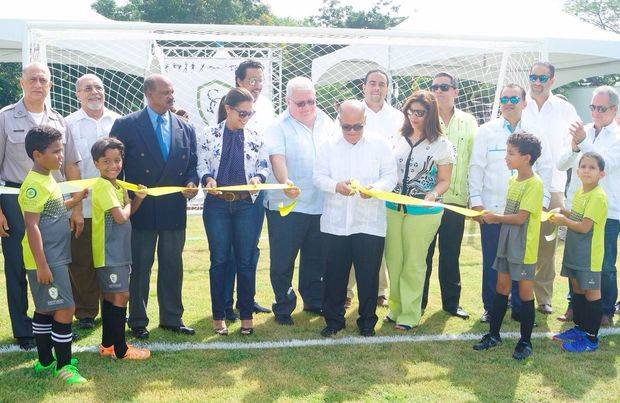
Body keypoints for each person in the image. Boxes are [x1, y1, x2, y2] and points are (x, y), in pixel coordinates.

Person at [0, 62, 82, 350]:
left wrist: (75, 207)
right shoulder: (5, 118)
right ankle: (24, 332)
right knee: (17, 266)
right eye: (32, 79)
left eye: (43, 80)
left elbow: (71, 163)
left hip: (51, 200)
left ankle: (50, 318)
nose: (38, 84)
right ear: (21, 82)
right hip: (11, 199)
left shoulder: (60, 120)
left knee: (52, 260)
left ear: (50, 85)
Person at [110, 74, 199, 339]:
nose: (171, 97)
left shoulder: (185, 127)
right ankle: (137, 320)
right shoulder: (126, 125)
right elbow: (115, 167)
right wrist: (123, 201)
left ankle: (172, 318)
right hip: (141, 207)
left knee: (173, 264)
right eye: (164, 93)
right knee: (140, 266)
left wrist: (191, 183)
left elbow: (192, 164)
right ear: (148, 93)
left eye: (172, 92)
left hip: (173, 207)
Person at [469, 84, 552, 323]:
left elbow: (545, 168)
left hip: (523, 213)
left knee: (520, 262)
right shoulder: (486, 131)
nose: (509, 102)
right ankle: (491, 307)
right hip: (492, 210)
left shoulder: (536, 131)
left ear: (525, 102)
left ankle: (519, 307)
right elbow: (476, 168)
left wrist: (543, 203)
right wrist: (476, 203)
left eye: (514, 98)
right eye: (504, 98)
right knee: (493, 263)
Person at [314, 100, 397, 337]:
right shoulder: (328, 145)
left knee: (369, 276)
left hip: (369, 223)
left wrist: (374, 188)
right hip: (335, 223)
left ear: (365, 122)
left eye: (357, 127)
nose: (351, 132)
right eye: (346, 127)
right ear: (339, 121)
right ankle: (333, 320)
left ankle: (368, 322)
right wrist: (335, 186)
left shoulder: (380, 145)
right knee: (334, 275)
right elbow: (317, 177)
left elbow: (390, 176)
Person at [264, 76, 337, 326]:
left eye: (311, 101)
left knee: (316, 258)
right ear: (287, 102)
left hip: (321, 203)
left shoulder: (328, 121)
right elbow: (277, 158)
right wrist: (286, 183)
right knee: (283, 260)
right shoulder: (277, 126)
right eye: (300, 103)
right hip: (287, 205)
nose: (306, 107)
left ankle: (313, 300)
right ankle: (283, 306)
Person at [198, 87, 270, 335]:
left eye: (250, 113)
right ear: (228, 109)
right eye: (242, 113)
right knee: (219, 260)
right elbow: (202, 164)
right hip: (217, 205)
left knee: (246, 260)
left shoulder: (257, 136)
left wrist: (259, 178)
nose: (246, 118)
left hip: (248, 206)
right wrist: (208, 179)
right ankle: (219, 316)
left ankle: (246, 315)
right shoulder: (208, 134)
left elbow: (263, 165)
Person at [21, 126, 88, 384]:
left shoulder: (48, 177)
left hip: (56, 255)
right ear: (38, 154)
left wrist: (75, 200)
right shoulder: (34, 185)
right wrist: (42, 265)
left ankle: (45, 362)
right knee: (66, 307)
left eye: (61, 150)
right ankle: (63, 367)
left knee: (46, 309)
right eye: (56, 151)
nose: (61, 156)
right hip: (48, 259)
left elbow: (54, 209)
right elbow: (32, 225)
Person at [385, 90, 455, 331]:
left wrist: (433, 194)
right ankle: (395, 308)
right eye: (410, 111)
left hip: (424, 213)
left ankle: (410, 313)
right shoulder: (395, 138)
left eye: (420, 113)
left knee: (414, 263)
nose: (414, 117)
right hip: (392, 208)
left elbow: (445, 180)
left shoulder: (442, 145)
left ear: (430, 114)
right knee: (393, 260)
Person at [473, 132, 543, 361]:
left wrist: (495, 218)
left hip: (523, 247)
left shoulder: (535, 184)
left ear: (527, 157)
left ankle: (525, 341)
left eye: (511, 154)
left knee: (524, 293)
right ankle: (494, 334)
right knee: (501, 287)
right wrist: (493, 217)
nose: (506, 158)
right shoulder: (513, 180)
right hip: (506, 242)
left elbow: (521, 218)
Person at [216, 60, 275, 319]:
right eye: (252, 80)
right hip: (229, 195)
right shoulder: (227, 103)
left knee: (250, 250)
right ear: (239, 80)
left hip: (256, 189)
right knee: (227, 252)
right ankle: (226, 305)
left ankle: (247, 301)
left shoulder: (268, 107)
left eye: (261, 80)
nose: (258, 85)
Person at [557, 86, 619, 326]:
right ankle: (575, 303)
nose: (595, 112)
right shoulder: (582, 131)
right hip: (577, 205)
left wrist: (582, 144)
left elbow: (607, 164)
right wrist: (574, 146)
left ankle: (605, 309)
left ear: (614, 110)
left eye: (601, 108)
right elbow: (562, 165)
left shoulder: (617, 135)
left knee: (604, 264)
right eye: (592, 107)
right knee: (575, 260)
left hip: (609, 210)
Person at [521, 61, 580, 315]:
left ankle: (543, 297)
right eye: (533, 77)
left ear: (553, 80)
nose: (537, 82)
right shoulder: (520, 106)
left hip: (554, 185)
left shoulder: (565, 109)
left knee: (547, 245)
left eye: (542, 78)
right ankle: (517, 295)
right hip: (521, 185)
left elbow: (576, 144)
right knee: (519, 244)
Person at [345, 69, 403, 309]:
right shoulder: (352, 112)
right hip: (354, 189)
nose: (376, 88)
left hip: (385, 187)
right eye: (372, 83)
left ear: (387, 88)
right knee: (350, 238)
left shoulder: (399, 117)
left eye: (381, 84)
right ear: (364, 86)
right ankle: (346, 291)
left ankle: (380, 290)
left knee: (379, 239)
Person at [65, 74, 120, 329]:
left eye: (98, 87)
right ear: (77, 95)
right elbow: (68, 166)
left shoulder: (118, 120)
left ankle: (114, 307)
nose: (94, 92)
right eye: (88, 89)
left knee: (111, 259)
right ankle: (86, 313)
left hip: (112, 205)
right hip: (83, 206)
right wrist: (74, 205)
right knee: (81, 261)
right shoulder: (69, 124)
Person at [423, 72, 478, 320]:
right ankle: (418, 302)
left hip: (456, 200)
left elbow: (473, 161)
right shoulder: (424, 119)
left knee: (450, 255)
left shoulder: (469, 121)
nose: (438, 91)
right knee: (423, 255)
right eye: (434, 87)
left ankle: (451, 304)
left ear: (456, 91)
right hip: (427, 200)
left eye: (444, 86)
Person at [90, 137, 151, 359]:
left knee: (111, 297)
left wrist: (138, 199)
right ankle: (121, 350)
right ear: (96, 163)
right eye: (106, 161)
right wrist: (127, 202)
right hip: (110, 252)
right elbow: (119, 217)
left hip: (118, 251)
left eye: (117, 160)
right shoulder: (103, 186)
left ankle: (108, 346)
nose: (113, 165)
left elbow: (127, 214)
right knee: (121, 295)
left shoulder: (115, 185)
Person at [550, 152, 607, 352]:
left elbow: (584, 227)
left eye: (592, 167)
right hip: (575, 252)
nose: (587, 170)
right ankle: (579, 329)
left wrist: (563, 221)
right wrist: (563, 212)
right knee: (578, 291)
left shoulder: (598, 196)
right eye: (583, 166)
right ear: (577, 171)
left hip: (588, 255)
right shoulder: (581, 193)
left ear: (602, 174)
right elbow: (577, 216)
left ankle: (591, 339)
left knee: (591, 293)